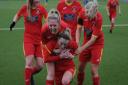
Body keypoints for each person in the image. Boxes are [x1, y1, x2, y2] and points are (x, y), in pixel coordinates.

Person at [9, 0, 47, 85]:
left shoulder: (41, 8)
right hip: (28, 39)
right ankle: (28, 82)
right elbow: (17, 15)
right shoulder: (25, 8)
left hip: (38, 40)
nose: (39, 0)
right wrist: (14, 22)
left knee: (40, 66)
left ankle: (29, 74)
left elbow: (47, 19)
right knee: (29, 62)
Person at [75, 1, 104, 85]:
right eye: (86, 11)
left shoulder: (99, 18)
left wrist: (81, 49)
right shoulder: (82, 13)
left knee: (93, 70)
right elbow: (78, 29)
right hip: (86, 42)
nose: (86, 14)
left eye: (89, 13)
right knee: (80, 68)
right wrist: (77, 42)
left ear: (95, 12)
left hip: (97, 44)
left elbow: (93, 40)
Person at [41, 8, 69, 85]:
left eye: (55, 25)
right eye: (50, 25)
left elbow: (68, 41)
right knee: (51, 74)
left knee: (62, 74)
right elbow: (44, 44)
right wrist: (53, 51)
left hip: (61, 48)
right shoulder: (44, 30)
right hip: (50, 49)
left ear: (59, 22)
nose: (52, 28)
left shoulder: (64, 27)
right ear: (47, 23)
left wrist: (61, 51)